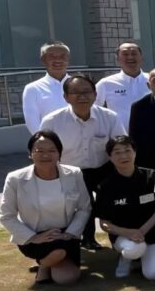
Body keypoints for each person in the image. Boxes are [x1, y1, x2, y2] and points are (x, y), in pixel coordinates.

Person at [40, 74, 126, 250]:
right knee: (84, 204)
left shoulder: (110, 117)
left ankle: (120, 240)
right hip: (71, 170)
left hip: (104, 167)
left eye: (87, 91)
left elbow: (120, 145)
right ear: (66, 97)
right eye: (75, 92)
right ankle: (86, 239)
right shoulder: (52, 121)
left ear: (95, 95)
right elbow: (44, 150)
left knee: (114, 202)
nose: (82, 96)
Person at [0, 131, 91, 286]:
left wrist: (69, 234)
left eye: (52, 150)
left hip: (65, 235)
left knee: (67, 278)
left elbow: (84, 208)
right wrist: (33, 237)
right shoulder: (15, 179)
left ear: (59, 153)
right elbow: (6, 216)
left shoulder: (74, 174)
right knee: (57, 254)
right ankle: (44, 266)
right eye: (39, 151)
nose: (46, 155)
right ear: (30, 153)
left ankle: (46, 263)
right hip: (34, 236)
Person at [95, 136, 155, 280]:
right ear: (110, 157)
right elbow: (104, 224)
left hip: (152, 234)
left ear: (135, 152)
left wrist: (141, 232)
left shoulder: (151, 177)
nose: (123, 156)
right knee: (134, 249)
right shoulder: (105, 186)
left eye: (127, 150)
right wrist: (129, 233)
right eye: (117, 152)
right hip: (124, 237)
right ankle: (126, 258)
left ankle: (141, 258)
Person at [95, 42, 150, 130]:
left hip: (151, 134)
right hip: (119, 135)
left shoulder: (153, 80)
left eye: (134, 53)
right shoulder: (105, 83)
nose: (130, 57)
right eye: (125, 54)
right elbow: (93, 109)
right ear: (117, 59)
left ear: (141, 58)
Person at [22, 41, 71, 132]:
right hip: (49, 139)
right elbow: (32, 124)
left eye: (62, 56)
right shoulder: (33, 89)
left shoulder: (80, 85)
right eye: (52, 56)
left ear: (68, 59)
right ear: (43, 60)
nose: (58, 60)